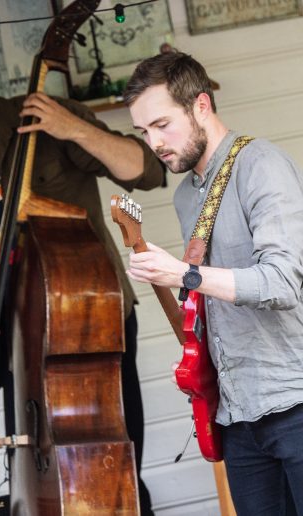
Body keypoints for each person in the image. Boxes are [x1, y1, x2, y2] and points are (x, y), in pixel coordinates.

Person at [0, 59, 166, 515]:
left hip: (90, 326)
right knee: (30, 468)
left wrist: (76, 130)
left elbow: (147, 172)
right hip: (17, 339)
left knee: (113, 466)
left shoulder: (48, 121)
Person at [122, 50, 303, 515]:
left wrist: (183, 273)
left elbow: (283, 283)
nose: (154, 143)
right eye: (143, 132)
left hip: (295, 403)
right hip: (236, 415)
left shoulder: (261, 164)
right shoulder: (187, 197)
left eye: (162, 124)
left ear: (201, 105)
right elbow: (210, 301)